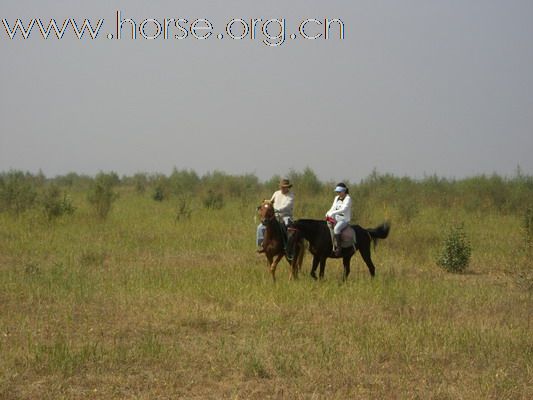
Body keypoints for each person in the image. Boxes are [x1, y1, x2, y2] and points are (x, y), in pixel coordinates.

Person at [257, 178, 295, 250]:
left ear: (288, 187)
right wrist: (265, 205)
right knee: (260, 227)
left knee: (287, 227)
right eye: (282, 187)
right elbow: (271, 202)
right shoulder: (276, 193)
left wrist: (276, 209)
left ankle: (287, 245)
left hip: (286, 216)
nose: (283, 188)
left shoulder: (291, 195)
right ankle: (262, 245)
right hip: (274, 216)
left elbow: (287, 205)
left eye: (284, 187)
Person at [325, 182, 352, 256]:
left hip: (344, 220)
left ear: (344, 191)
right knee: (327, 224)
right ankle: (332, 245)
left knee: (336, 229)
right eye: (337, 192)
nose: (338, 193)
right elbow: (333, 207)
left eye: (339, 191)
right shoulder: (336, 198)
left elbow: (344, 209)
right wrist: (328, 213)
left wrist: (333, 213)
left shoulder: (348, 198)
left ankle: (339, 248)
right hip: (336, 218)